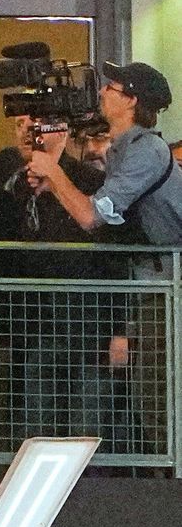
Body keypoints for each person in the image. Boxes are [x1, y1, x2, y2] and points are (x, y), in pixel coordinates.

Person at [27, 61, 181, 454]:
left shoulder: (147, 150)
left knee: (160, 401)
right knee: (151, 400)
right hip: (153, 291)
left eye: (111, 87)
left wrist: (54, 169)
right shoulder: (126, 151)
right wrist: (55, 175)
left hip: (168, 293)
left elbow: (90, 216)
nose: (101, 93)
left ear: (130, 100)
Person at [0, 113, 128, 450]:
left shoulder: (89, 180)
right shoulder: (11, 176)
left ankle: (91, 497)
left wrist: (121, 328)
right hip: (39, 325)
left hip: (91, 326)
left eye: (38, 126)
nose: (31, 133)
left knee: (87, 428)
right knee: (37, 429)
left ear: (61, 131)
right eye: (22, 125)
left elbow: (114, 256)